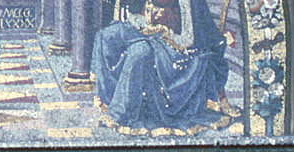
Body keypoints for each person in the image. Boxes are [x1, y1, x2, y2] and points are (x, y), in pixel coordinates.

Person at [92, 0, 230, 133]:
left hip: (177, 49)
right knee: (105, 37)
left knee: (139, 53)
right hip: (149, 32)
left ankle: (120, 113)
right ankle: (109, 98)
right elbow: (139, 12)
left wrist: (164, 32)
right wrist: (142, 22)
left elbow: (188, 39)